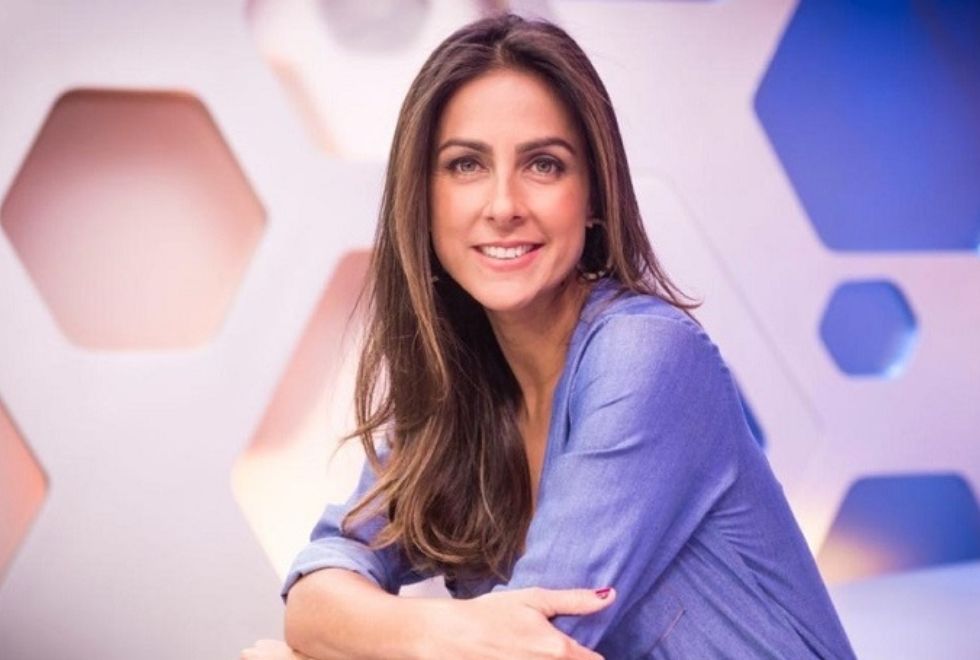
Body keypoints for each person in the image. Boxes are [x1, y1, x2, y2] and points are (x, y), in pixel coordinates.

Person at [242, 13, 856, 660]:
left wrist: (382, 632)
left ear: (593, 197)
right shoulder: (460, 388)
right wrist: (438, 630)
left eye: (543, 164)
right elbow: (315, 593)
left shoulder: (646, 357)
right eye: (466, 164)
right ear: (422, 198)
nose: (504, 205)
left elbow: (534, 647)